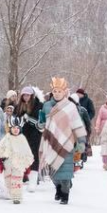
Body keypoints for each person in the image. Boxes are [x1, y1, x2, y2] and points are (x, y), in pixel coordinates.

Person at [39, 77, 87, 205]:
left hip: (67, 142)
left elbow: (78, 124)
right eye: (54, 91)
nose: (57, 93)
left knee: (65, 172)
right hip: (50, 142)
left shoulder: (70, 107)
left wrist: (81, 142)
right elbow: (43, 123)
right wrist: (40, 123)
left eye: (59, 91)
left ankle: (65, 194)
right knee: (53, 171)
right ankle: (58, 189)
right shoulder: (46, 106)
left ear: (65, 92)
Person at [0, 116, 33, 204]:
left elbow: (27, 151)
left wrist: (26, 162)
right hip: (7, 162)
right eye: (13, 128)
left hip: (18, 162)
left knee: (17, 179)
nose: (16, 130)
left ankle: (17, 197)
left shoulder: (22, 138)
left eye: (17, 128)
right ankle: (11, 194)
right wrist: (1, 158)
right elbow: (0, 148)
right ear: (10, 129)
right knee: (8, 180)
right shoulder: (6, 138)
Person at [14, 86, 43, 183]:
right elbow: (15, 118)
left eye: (28, 95)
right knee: (22, 154)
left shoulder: (38, 105)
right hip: (22, 134)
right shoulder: (18, 106)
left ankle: (34, 178)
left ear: (32, 96)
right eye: (24, 95)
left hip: (35, 134)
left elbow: (41, 121)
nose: (26, 97)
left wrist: (29, 119)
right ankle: (23, 175)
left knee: (34, 155)